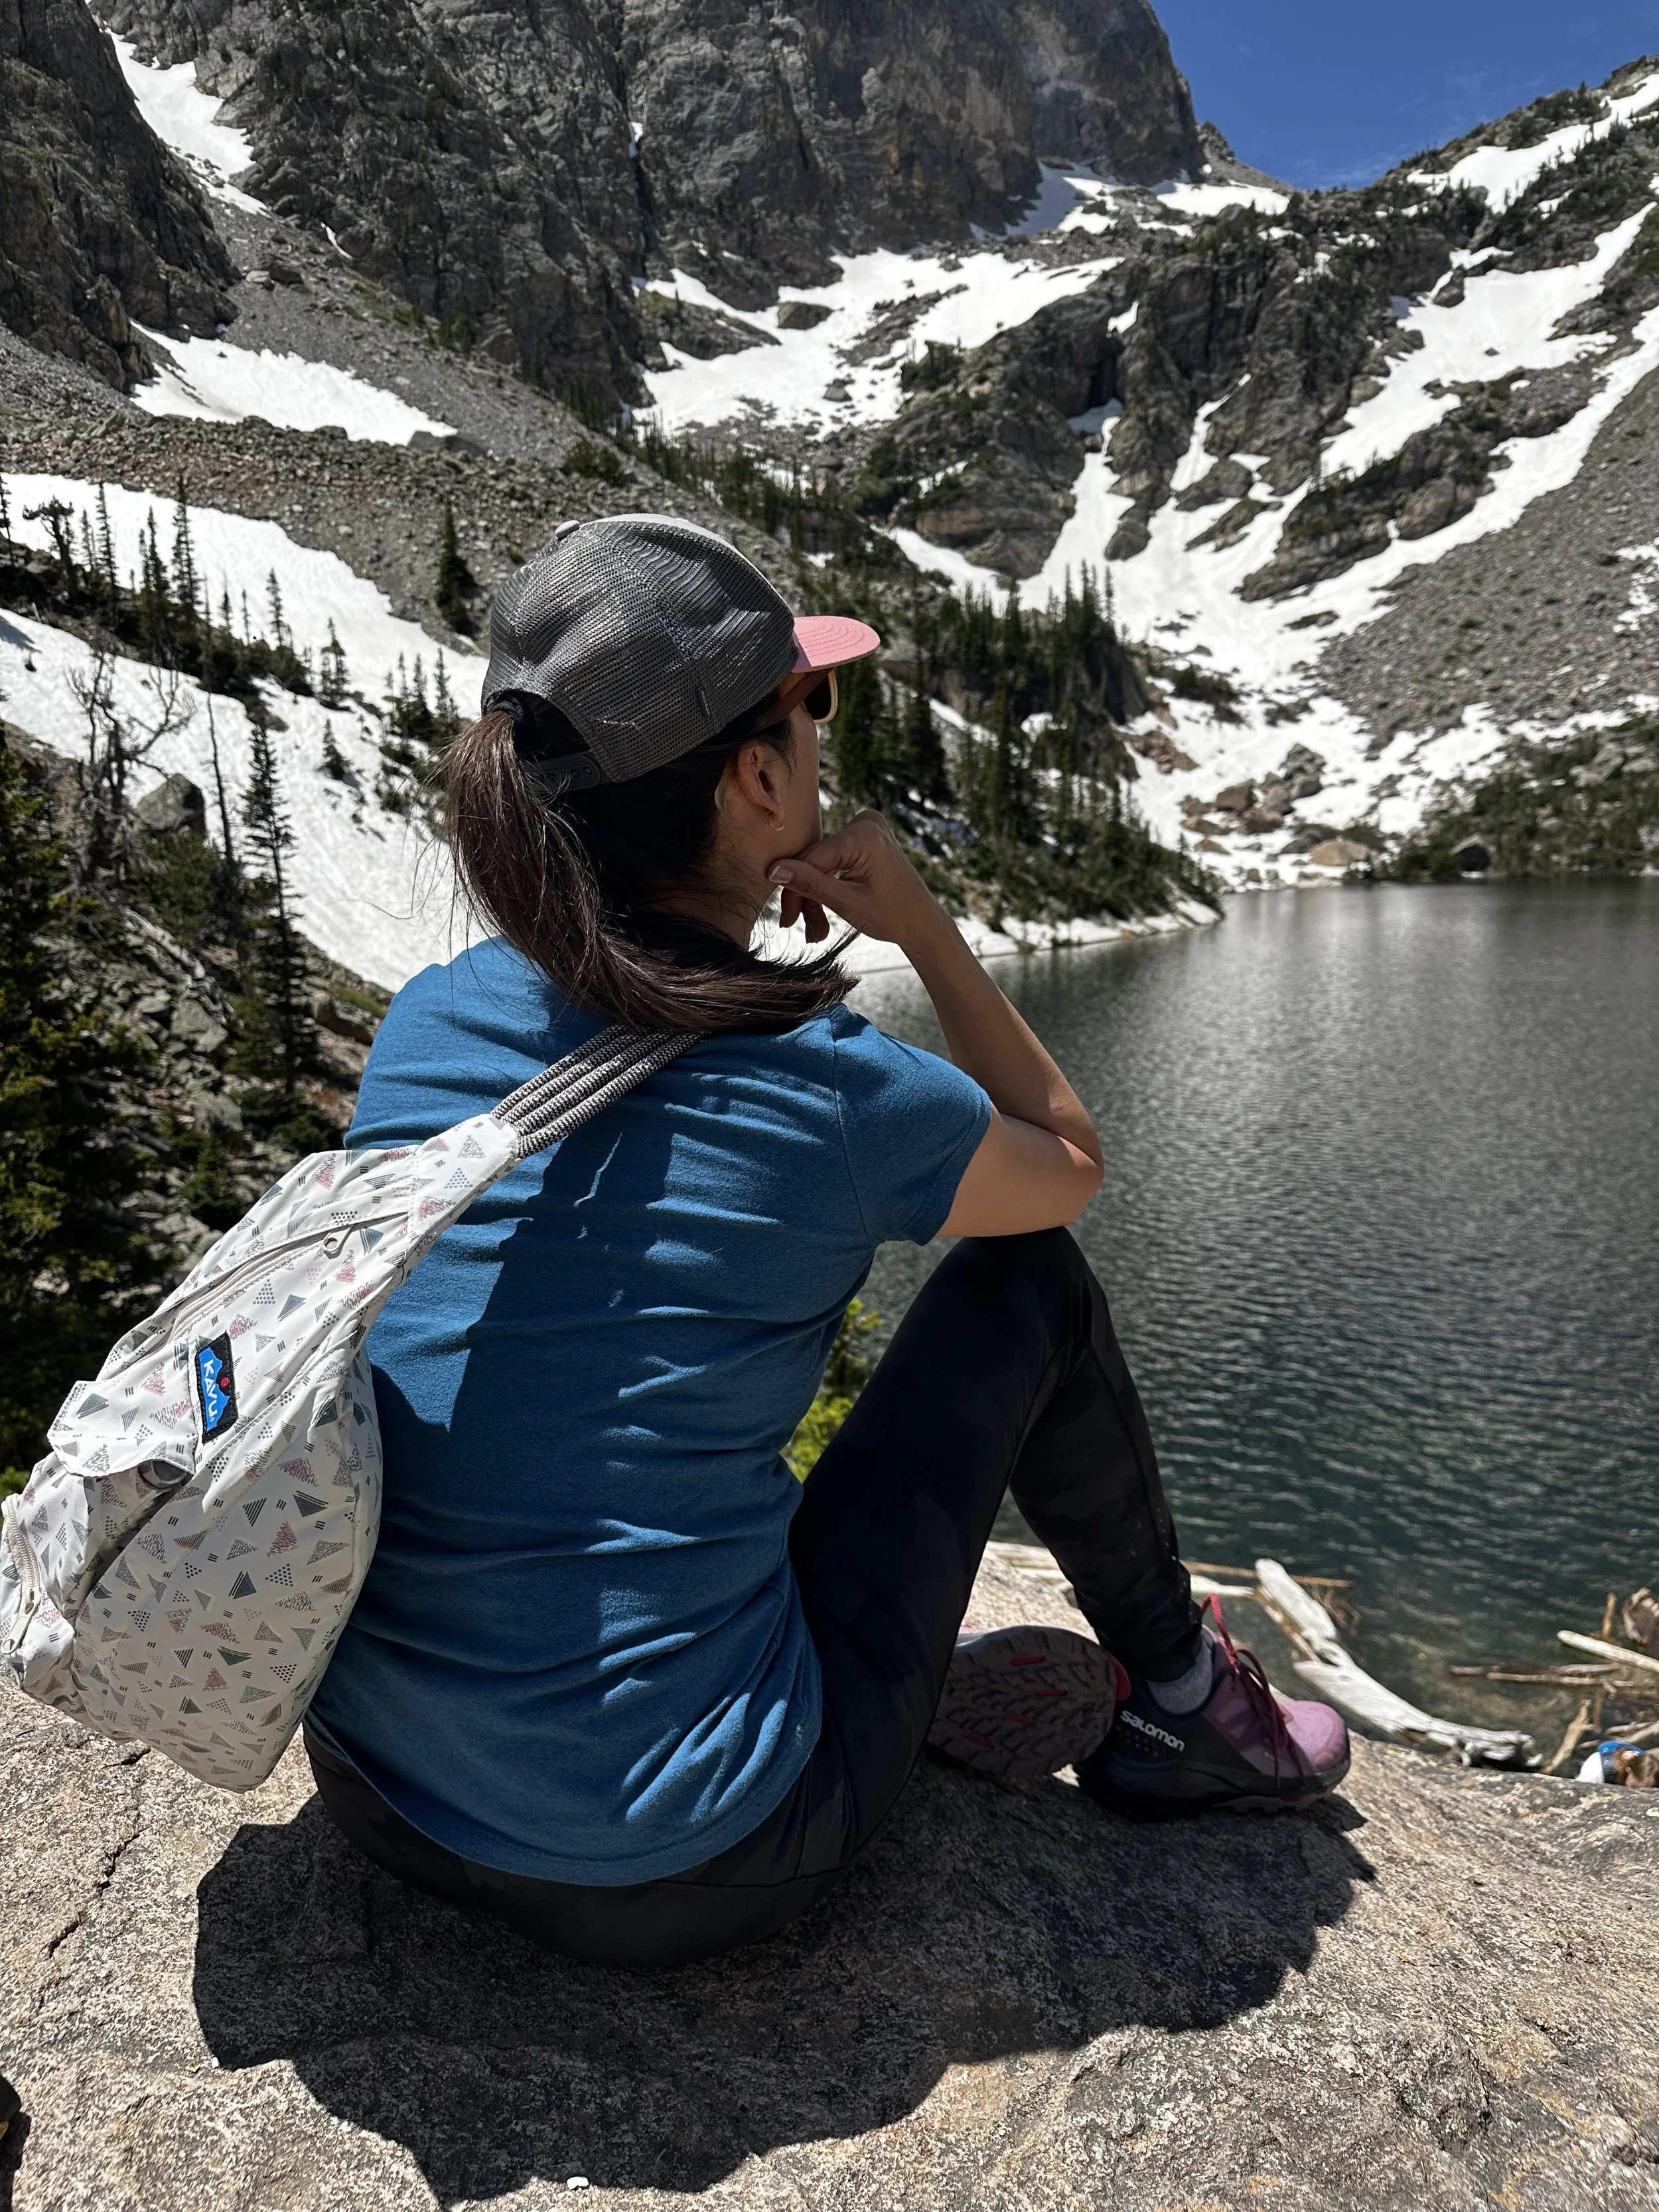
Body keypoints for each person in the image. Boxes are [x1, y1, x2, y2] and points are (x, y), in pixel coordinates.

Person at [303, 514, 1349, 1968]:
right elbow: (1066, 1168)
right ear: (753, 778)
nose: (820, 741)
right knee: (1025, 1286)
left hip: (374, 1793)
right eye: (814, 706)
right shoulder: (826, 1085)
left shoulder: (428, 1018)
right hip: (692, 1861)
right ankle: (1183, 1702)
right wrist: (923, 927)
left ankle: (861, 1670)